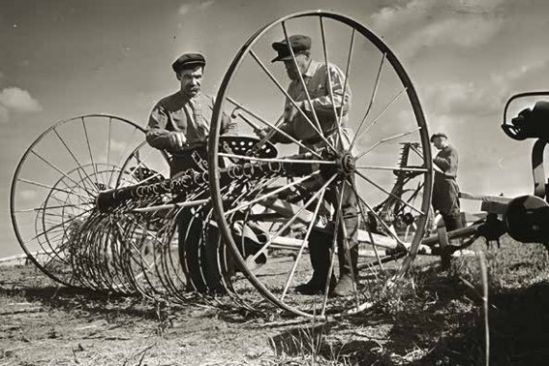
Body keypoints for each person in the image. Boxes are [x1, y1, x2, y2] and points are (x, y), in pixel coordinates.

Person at [261, 34, 358, 297]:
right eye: (285, 65)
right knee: (316, 217)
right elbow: (292, 128)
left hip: (334, 150)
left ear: (305, 57)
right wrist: (271, 134)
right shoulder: (293, 88)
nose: (288, 69)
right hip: (308, 153)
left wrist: (305, 105)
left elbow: (343, 102)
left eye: (291, 62)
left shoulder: (327, 72)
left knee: (343, 212)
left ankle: (349, 276)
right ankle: (322, 277)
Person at [431, 133, 463, 232]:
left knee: (452, 212)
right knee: (442, 212)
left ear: (442, 140)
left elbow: (449, 165)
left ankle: (458, 236)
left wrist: (433, 159)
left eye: (435, 143)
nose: (434, 145)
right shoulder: (440, 154)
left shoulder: (451, 151)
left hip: (447, 186)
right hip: (439, 185)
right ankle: (449, 238)